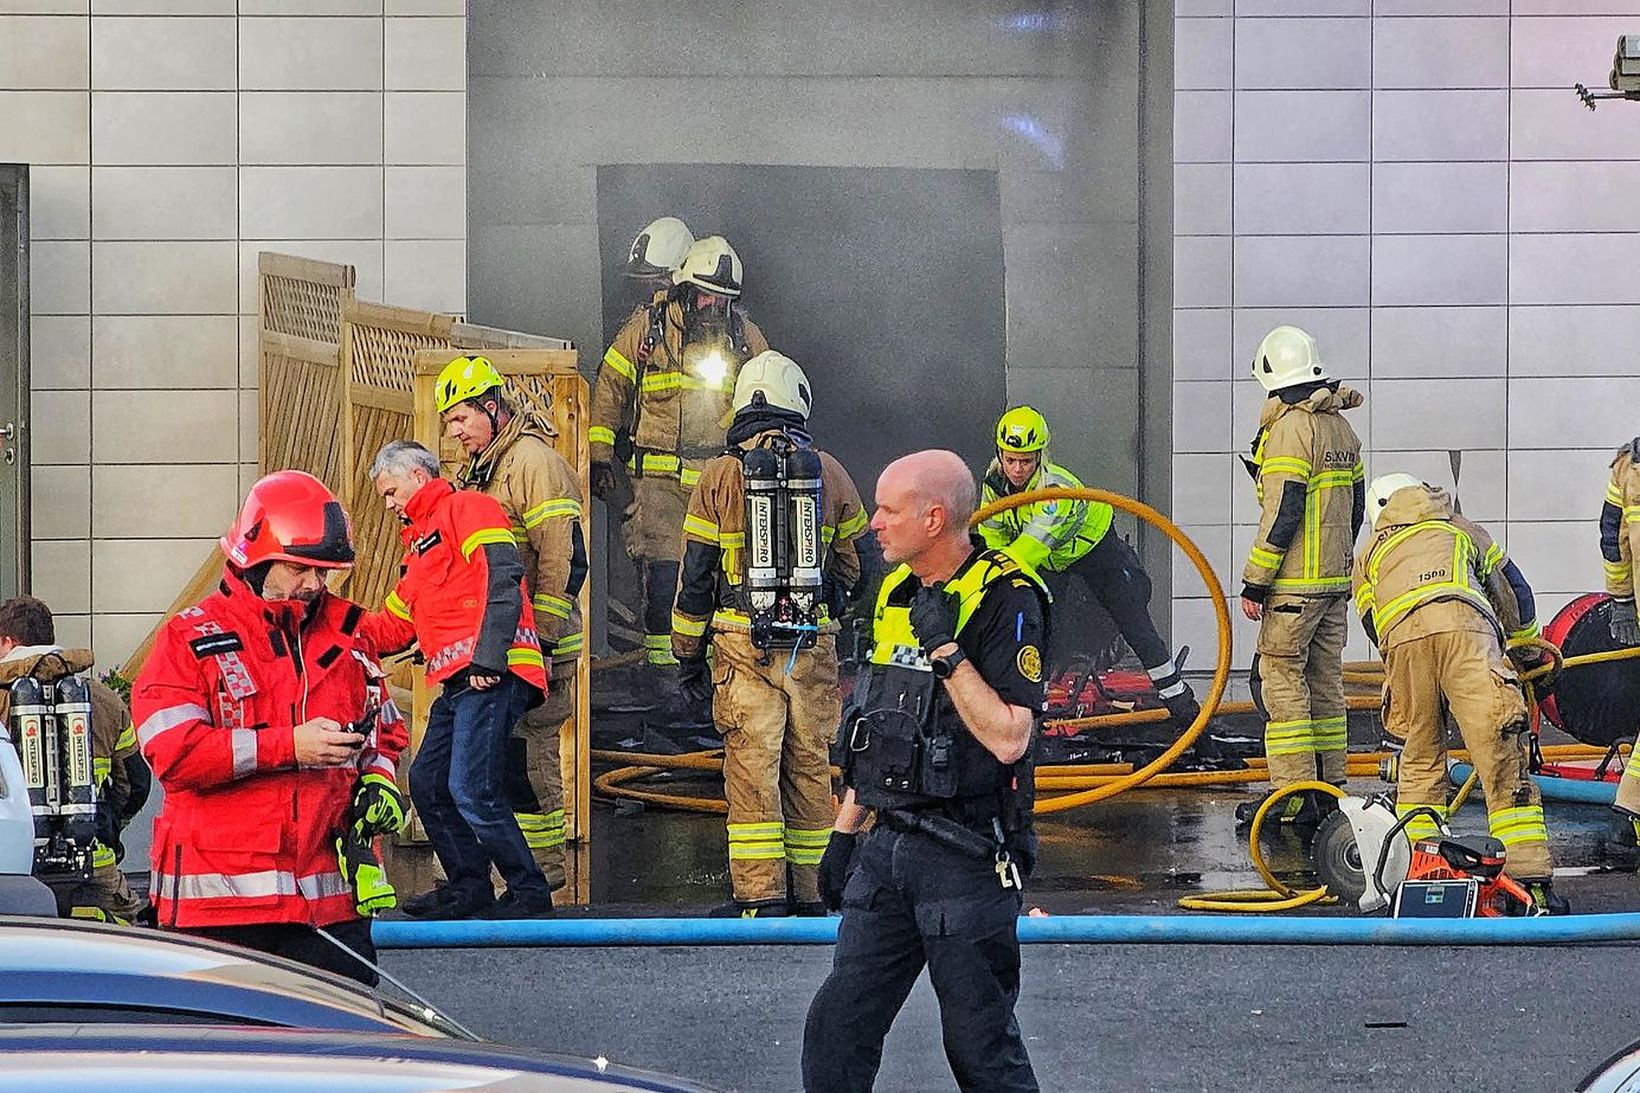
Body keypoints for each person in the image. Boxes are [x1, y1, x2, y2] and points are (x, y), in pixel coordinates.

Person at [802, 450, 1046, 1093]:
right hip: (889, 847)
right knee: (836, 1032)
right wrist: (844, 832)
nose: (875, 523)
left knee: (979, 1049)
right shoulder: (894, 591)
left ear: (934, 518)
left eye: (888, 509)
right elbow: (875, 729)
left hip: (967, 854)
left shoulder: (1007, 597)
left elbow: (1009, 738)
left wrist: (946, 651)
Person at [134, 471, 408, 983]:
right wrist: (289, 746)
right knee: (225, 1058)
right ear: (255, 556)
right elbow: (171, 752)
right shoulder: (189, 640)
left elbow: (384, 731)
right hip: (222, 915)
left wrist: (379, 780)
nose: (314, 584)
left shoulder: (349, 638)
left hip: (330, 910)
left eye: (324, 572)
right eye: (300, 568)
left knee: (343, 1052)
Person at [671, 350, 868, 917]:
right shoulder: (829, 472)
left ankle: (760, 898)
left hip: (742, 645)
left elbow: (696, 577)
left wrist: (686, 655)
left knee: (753, 769)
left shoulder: (719, 475)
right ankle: (813, 893)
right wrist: (834, 613)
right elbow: (860, 567)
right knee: (810, 765)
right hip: (811, 646)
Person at [359, 440, 555, 920]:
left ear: (419, 477)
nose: (388, 505)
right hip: (463, 679)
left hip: (493, 672)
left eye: (391, 491)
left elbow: (503, 575)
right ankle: (470, 888)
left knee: (471, 787)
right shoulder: (421, 549)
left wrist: (490, 660)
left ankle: (529, 891)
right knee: (427, 781)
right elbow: (390, 627)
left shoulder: (469, 507)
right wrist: (328, 621)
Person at [1353, 474, 1564, 913]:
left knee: (1419, 757)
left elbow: (1372, 622)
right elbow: (1515, 590)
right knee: (1498, 749)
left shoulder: (1369, 552)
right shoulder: (1460, 527)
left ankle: (1419, 877)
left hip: (1404, 641)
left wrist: (1411, 671)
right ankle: (1530, 883)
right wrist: (1527, 655)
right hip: (1469, 635)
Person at [589, 234, 769, 699]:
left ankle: (714, 677)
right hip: (661, 481)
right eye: (705, 294)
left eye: (723, 299)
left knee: (718, 576)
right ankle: (664, 679)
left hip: (719, 481)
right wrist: (599, 454)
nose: (712, 305)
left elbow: (769, 396)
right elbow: (611, 387)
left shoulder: (744, 339)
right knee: (666, 574)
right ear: (684, 290)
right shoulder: (649, 329)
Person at [435, 355, 586, 891]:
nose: (455, 433)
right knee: (489, 762)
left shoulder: (532, 463)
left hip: (535, 648)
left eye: (462, 419)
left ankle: (543, 883)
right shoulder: (478, 469)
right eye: (449, 422)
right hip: (494, 647)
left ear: (492, 409)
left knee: (527, 758)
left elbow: (561, 560)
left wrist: (542, 642)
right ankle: (510, 882)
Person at [978, 405, 1198, 726]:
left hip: (1095, 551)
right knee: (1034, 620)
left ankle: (1181, 704)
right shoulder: (994, 484)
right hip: (1051, 560)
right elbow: (992, 535)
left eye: (1026, 461)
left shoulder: (1056, 490)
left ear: (1041, 455)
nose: (1017, 469)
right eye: (1010, 459)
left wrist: (993, 573)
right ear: (1000, 453)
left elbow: (1031, 548)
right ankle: (1033, 706)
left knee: (1131, 617)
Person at [1236, 324, 1365, 826]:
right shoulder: (1340, 428)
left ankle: (1290, 795)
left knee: (1282, 683)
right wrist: (1338, 563)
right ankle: (1330, 790)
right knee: (1325, 682)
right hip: (1333, 583)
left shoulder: (1292, 427)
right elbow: (1354, 509)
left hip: (1292, 588)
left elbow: (1284, 509)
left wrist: (1256, 581)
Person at [0, 595, 147, 923]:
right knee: (117, 962)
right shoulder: (102, 697)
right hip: (94, 873)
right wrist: (105, 826)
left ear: (7, 641)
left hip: (13, 873)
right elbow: (136, 784)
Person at [1598, 437, 1640, 844]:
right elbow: (1612, 536)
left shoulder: (1627, 467)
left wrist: (1623, 599)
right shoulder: (1626, 468)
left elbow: (1612, 538)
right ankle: (1630, 813)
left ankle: (1629, 813)